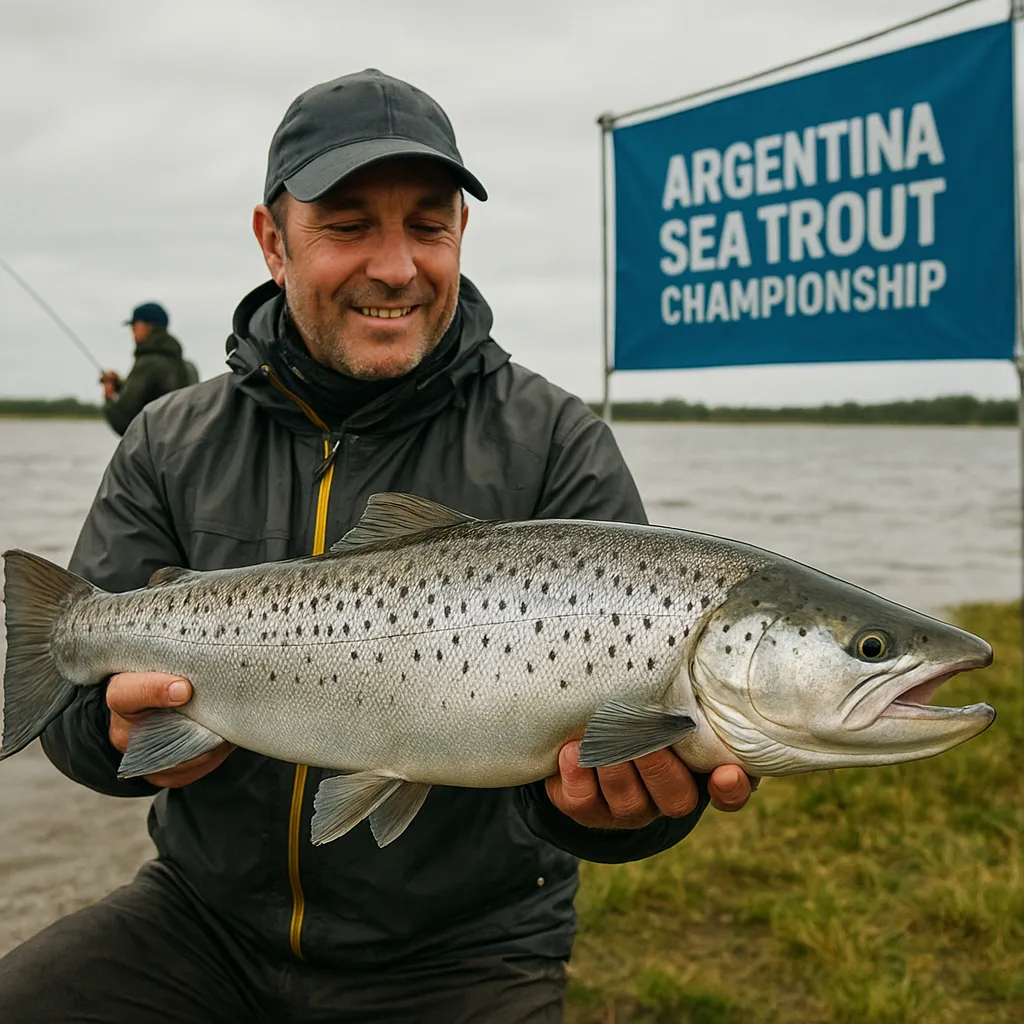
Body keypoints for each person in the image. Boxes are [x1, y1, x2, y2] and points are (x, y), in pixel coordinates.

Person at [0, 69, 753, 1023]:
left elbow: (618, 781)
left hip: (467, 949)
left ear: (461, 236)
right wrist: (111, 735)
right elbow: (75, 723)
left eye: (428, 225)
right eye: (349, 225)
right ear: (274, 241)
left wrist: (611, 815)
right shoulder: (166, 439)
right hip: (203, 919)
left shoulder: (558, 445)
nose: (395, 265)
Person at [100, 301, 199, 435]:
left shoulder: (147, 364)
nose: (132, 332)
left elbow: (124, 423)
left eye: (134, 327)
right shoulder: (189, 368)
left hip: (158, 452)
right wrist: (120, 385)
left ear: (146, 326)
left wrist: (109, 396)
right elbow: (159, 392)